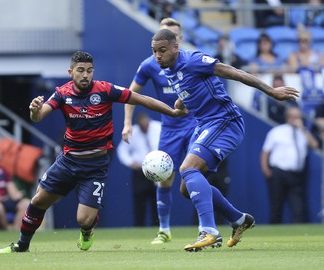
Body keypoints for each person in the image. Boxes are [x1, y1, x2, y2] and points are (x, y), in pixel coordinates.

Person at [0, 50, 187, 254]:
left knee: (83, 220)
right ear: (71, 72)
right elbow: (39, 116)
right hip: (68, 161)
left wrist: (172, 111)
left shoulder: (104, 90)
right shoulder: (62, 93)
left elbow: (139, 98)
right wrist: (34, 110)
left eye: (89, 70)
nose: (85, 75)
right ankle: (21, 245)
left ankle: (87, 231)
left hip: (95, 165)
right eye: (80, 70)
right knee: (38, 201)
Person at [150, 29, 299, 252]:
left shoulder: (193, 60)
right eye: (154, 52)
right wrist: (180, 106)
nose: (158, 56)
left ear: (175, 48)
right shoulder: (169, 69)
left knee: (188, 169)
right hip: (204, 124)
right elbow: (187, 87)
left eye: (162, 50)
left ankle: (209, 231)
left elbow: (232, 72)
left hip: (225, 120)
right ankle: (238, 219)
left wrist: (271, 91)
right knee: (185, 188)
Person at [122, 17, 196, 244]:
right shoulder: (150, 64)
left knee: (195, 176)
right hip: (170, 128)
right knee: (164, 179)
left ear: (178, 40)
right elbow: (130, 94)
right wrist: (127, 123)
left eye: (171, 35)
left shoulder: (194, 60)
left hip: (195, 125)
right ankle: (164, 230)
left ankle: (207, 228)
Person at [261, 106, 318, 223]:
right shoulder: (277, 131)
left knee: (298, 208)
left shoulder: (303, 133)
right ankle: (273, 234)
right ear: (288, 117)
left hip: (296, 175)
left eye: (299, 117)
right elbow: (265, 152)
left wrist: (303, 129)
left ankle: (298, 235)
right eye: (294, 117)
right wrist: (266, 169)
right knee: (276, 205)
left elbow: (314, 145)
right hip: (278, 173)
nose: (297, 119)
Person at [117, 112, 161, 227]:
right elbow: (122, 150)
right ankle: (139, 227)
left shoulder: (159, 127)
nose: (144, 127)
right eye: (142, 125)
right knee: (139, 202)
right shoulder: (133, 131)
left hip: (157, 170)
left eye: (146, 124)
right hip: (140, 171)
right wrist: (130, 162)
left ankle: (158, 227)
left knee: (157, 200)